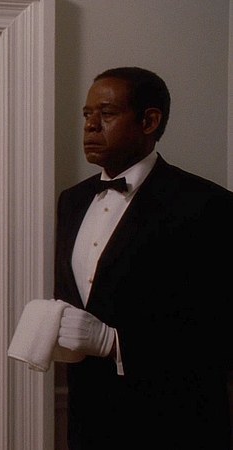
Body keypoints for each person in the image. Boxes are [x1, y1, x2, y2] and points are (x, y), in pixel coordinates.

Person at [54, 66, 233, 449]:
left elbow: (220, 329)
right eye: (87, 115)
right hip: (88, 420)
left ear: (149, 121)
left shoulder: (208, 205)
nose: (90, 126)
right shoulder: (72, 201)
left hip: (176, 422)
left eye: (107, 113)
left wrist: (116, 343)